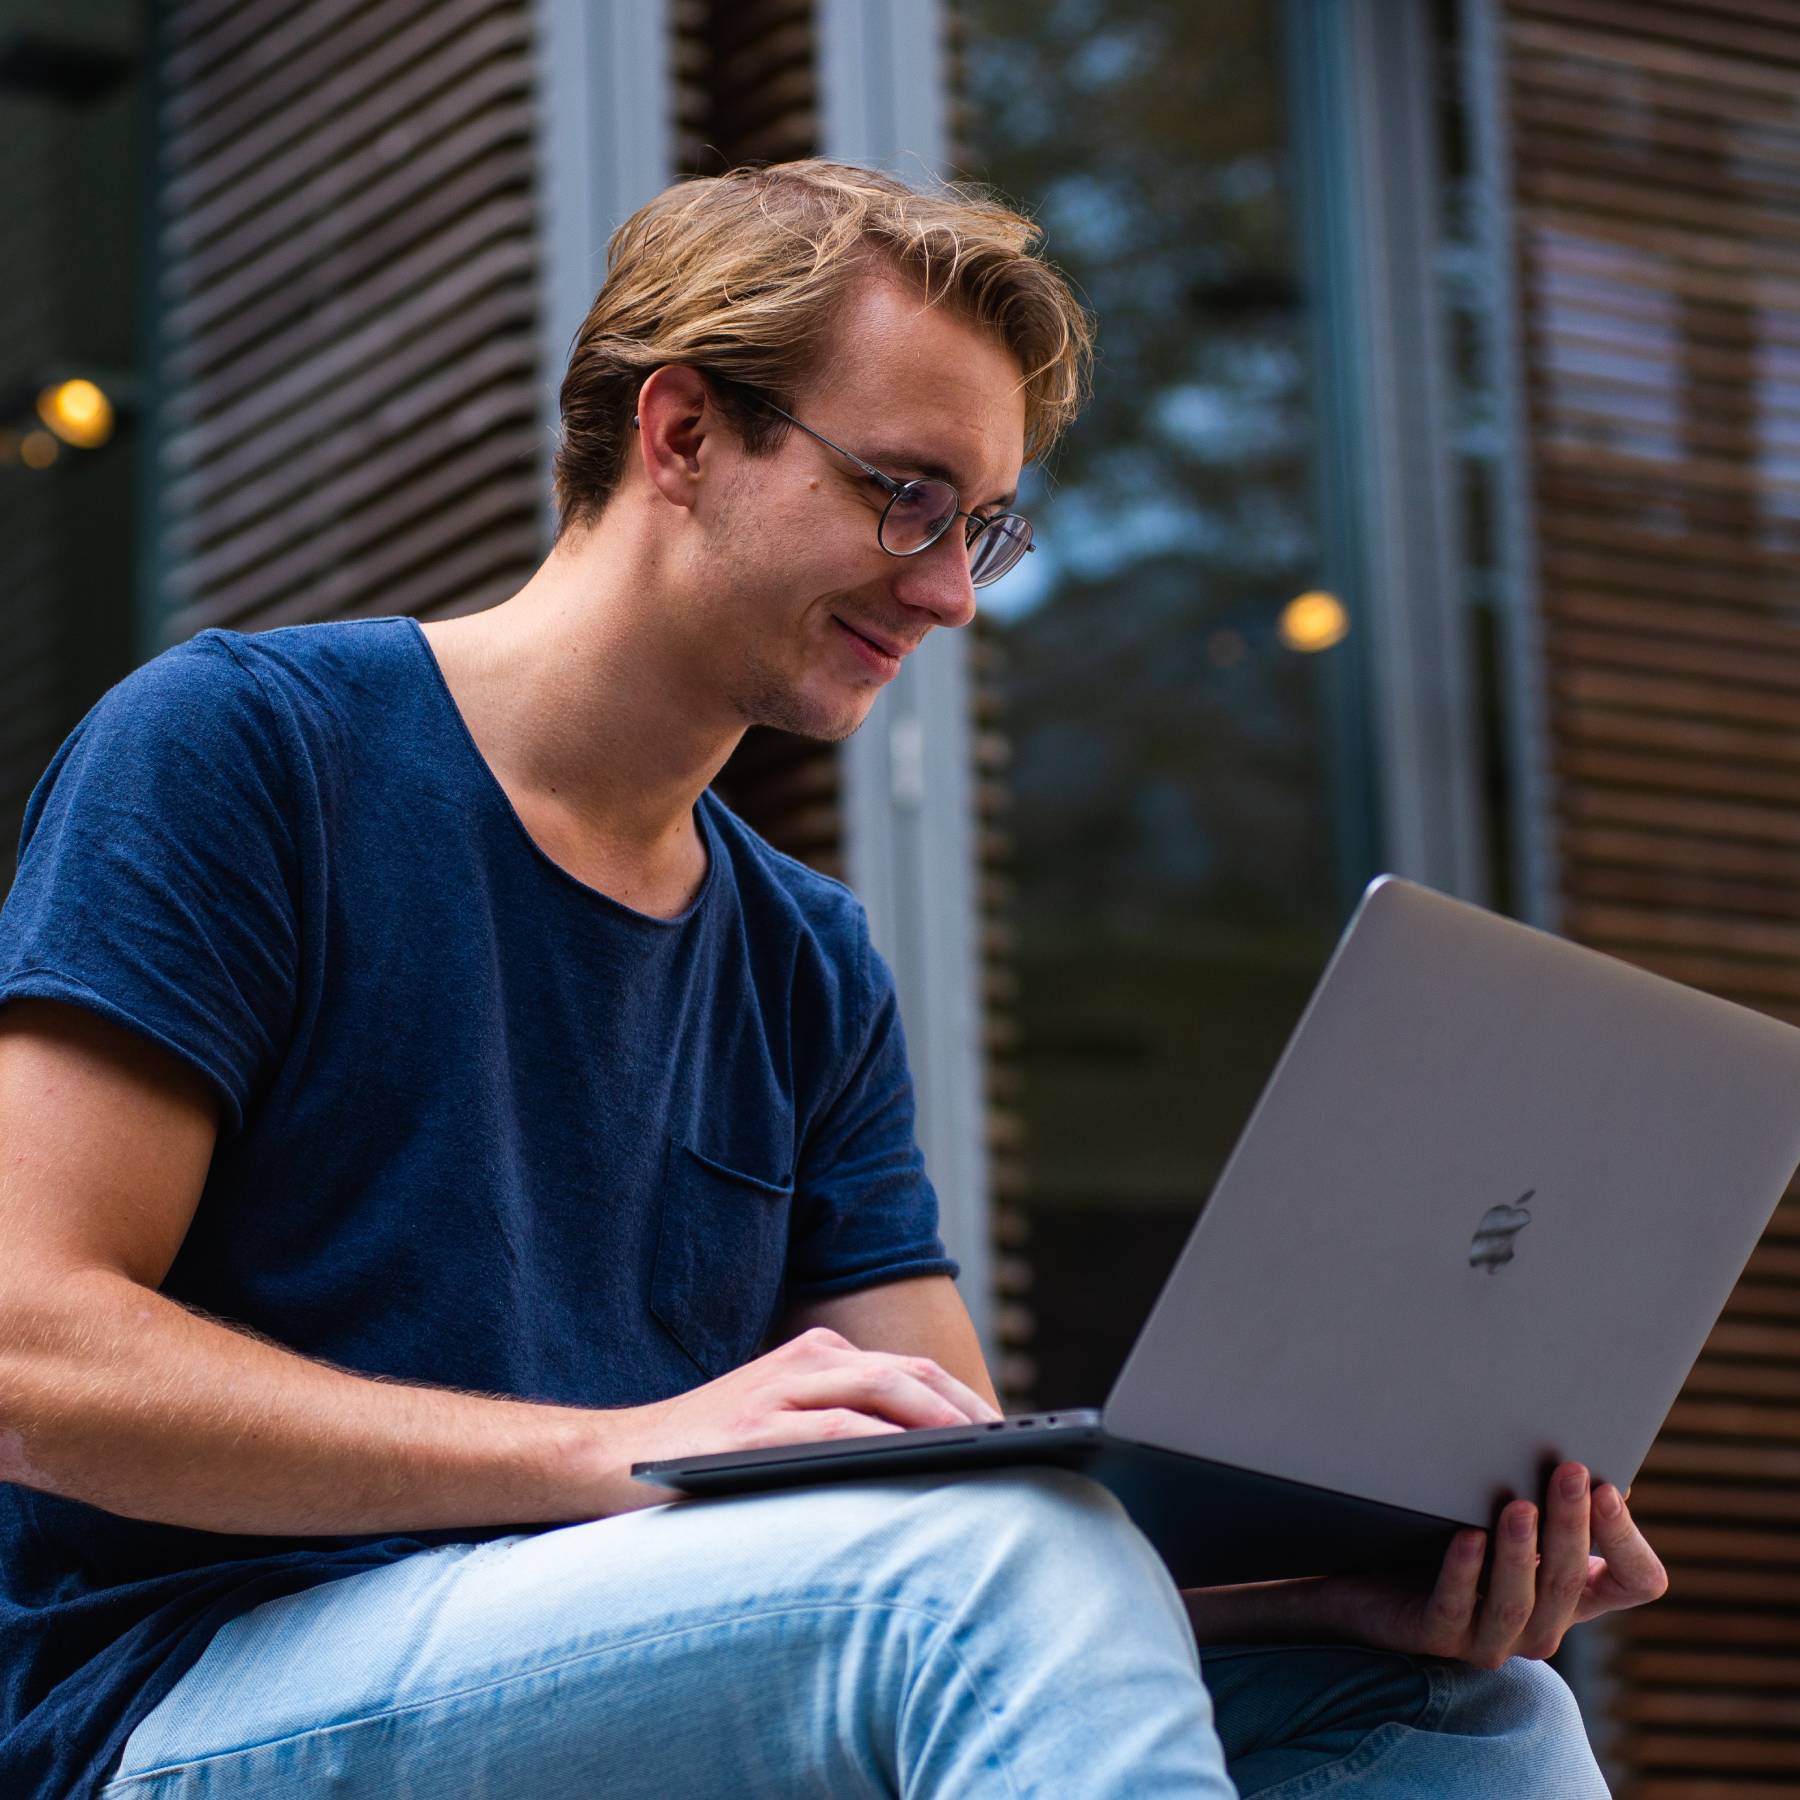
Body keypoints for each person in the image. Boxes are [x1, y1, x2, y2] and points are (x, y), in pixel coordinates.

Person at [0, 159, 1658, 1800]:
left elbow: (976, 1494)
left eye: (983, 528)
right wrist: (615, 1454)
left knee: (1469, 1718)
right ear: (684, 434)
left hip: (646, 1677)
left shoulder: (804, 958)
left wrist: (1325, 1593)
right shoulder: (246, 752)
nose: (946, 590)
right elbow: (28, 1351)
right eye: (905, 494)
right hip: (197, 1698)